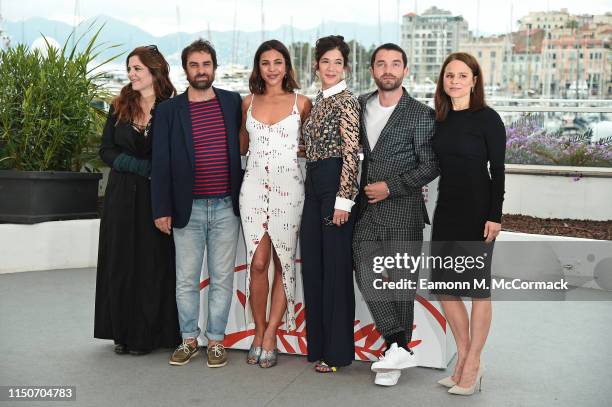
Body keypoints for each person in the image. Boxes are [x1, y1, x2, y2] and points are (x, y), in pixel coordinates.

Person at [151, 39, 243, 368]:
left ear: (214, 68)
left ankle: (216, 341)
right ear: (186, 69)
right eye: (194, 65)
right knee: (186, 280)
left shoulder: (234, 103)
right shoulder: (168, 111)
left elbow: (252, 143)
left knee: (222, 278)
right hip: (185, 208)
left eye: (206, 64)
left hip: (225, 207)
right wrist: (161, 208)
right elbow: (160, 163)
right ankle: (189, 339)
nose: (201, 70)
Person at [353, 43, 439, 386]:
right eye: (381, 64)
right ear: (373, 69)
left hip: (403, 209)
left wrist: (392, 186)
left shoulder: (420, 113)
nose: (388, 69)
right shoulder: (359, 106)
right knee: (363, 265)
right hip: (365, 212)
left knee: (401, 286)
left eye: (395, 64)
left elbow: (430, 164)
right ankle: (396, 341)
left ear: (405, 70)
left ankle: (393, 356)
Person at [95, 45, 180, 355]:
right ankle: (122, 333)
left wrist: (155, 175)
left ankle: (150, 334)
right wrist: (140, 166)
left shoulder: (172, 108)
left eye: (137, 69)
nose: (131, 74)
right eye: (129, 68)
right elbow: (105, 150)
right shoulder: (119, 106)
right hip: (120, 195)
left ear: (154, 72)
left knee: (153, 263)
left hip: (156, 197)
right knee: (120, 262)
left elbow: (177, 156)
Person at [430, 52, 505, 395]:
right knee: (445, 288)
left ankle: (474, 362)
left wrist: (495, 216)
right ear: (443, 81)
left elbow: (499, 171)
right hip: (447, 208)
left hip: (478, 211)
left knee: (477, 289)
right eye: (450, 75)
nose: (455, 81)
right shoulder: (439, 119)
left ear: (475, 81)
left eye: (462, 75)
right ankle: (461, 356)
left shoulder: (488, 119)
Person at [239, 40, 312, 368]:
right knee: (257, 263)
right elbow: (242, 147)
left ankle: (271, 334)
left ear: (287, 67)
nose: (271, 68)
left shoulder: (303, 103)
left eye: (277, 62)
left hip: (289, 190)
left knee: (284, 262)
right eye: (265, 62)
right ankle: (257, 330)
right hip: (252, 188)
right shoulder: (247, 103)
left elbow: (309, 148)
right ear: (258, 67)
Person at [300, 35, 360, 373]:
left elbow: (352, 152)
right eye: (326, 62)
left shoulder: (347, 100)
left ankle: (337, 354)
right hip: (313, 184)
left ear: (345, 67)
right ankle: (319, 347)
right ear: (317, 65)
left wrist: (343, 200)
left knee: (335, 271)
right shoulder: (318, 100)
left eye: (338, 62)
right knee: (314, 268)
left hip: (335, 186)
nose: (332, 68)